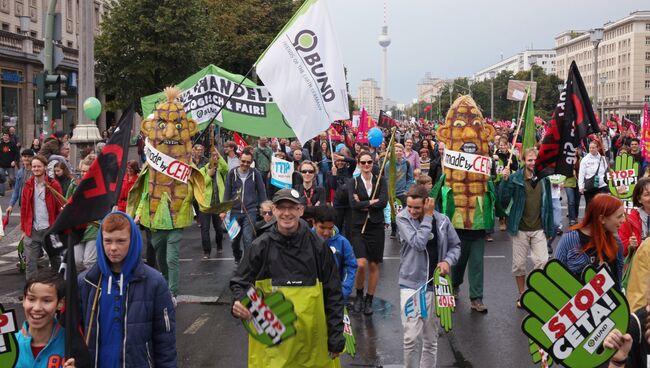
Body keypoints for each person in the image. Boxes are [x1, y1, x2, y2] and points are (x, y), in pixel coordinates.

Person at [230, 188, 344, 367]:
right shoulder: (259, 246)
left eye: (292, 207)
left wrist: (336, 335)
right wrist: (239, 301)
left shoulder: (318, 247)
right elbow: (239, 283)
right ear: (274, 210)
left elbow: (333, 294)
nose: (286, 213)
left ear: (301, 210)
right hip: (273, 352)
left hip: (313, 348)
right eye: (281, 207)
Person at [79, 212, 176, 367]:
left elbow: (165, 339)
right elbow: (74, 334)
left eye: (121, 241)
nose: (113, 248)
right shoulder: (87, 282)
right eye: (108, 241)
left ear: (133, 241)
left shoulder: (154, 282)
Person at [397, 185, 460, 368]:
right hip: (410, 284)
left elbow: (455, 246)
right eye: (409, 206)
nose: (412, 211)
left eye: (417, 207)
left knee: (431, 340)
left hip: (434, 285)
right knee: (410, 338)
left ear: (427, 203)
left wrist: (448, 261)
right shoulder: (402, 218)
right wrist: (428, 217)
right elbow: (418, 242)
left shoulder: (443, 221)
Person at [500, 148, 554, 307]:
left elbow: (548, 206)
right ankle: (522, 295)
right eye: (529, 160)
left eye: (535, 159)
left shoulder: (544, 179)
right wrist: (504, 181)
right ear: (524, 161)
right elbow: (503, 201)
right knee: (519, 265)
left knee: (543, 261)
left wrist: (550, 228)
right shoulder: (515, 178)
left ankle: (534, 291)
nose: (533, 163)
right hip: (519, 228)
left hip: (539, 228)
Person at [554, 194, 625, 286]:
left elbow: (618, 279)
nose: (623, 220)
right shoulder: (570, 239)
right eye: (619, 216)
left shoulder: (616, 242)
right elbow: (556, 274)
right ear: (602, 219)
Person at [349, 151, 388, 315]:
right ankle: (358, 295)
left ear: (373, 163)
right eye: (363, 162)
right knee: (361, 264)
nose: (366, 165)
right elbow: (353, 204)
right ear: (358, 164)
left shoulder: (381, 180)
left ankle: (369, 299)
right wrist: (372, 202)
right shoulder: (353, 182)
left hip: (376, 226)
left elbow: (383, 201)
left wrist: (365, 203)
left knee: (373, 265)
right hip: (358, 227)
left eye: (369, 162)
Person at [16, 270, 76, 368]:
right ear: (23, 300)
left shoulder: (72, 344)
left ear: (60, 303)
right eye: (31, 299)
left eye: (46, 301)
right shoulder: (9, 344)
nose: (37, 308)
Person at [20, 155, 63, 280]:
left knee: (56, 261)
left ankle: (58, 288)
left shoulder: (53, 184)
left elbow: (60, 207)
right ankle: (30, 291)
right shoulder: (28, 185)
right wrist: (23, 229)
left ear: (45, 167)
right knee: (30, 264)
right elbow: (24, 209)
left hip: (50, 229)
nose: (36, 169)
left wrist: (59, 227)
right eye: (34, 166)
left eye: (39, 166)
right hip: (32, 230)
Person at [221, 148, 267, 264]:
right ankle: (237, 256)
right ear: (239, 159)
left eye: (248, 162)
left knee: (248, 239)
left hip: (250, 211)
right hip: (235, 212)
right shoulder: (232, 173)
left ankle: (247, 263)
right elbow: (227, 192)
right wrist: (223, 210)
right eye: (243, 161)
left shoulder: (255, 173)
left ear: (251, 162)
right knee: (234, 240)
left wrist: (265, 208)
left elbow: (261, 192)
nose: (245, 164)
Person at [313, 205, 357, 304]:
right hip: (313, 297)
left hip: (336, 297)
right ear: (314, 223)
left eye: (330, 228)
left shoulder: (343, 243)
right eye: (322, 227)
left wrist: (344, 291)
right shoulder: (306, 240)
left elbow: (350, 266)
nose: (326, 232)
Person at [66, 157, 98, 272]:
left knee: (89, 261)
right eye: (83, 171)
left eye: (87, 171)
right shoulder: (74, 185)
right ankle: (82, 280)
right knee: (77, 261)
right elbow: (67, 202)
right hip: (78, 228)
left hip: (93, 227)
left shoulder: (99, 186)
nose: (84, 174)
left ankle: (90, 285)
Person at [198, 147, 228, 258]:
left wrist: (219, 156)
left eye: (216, 156)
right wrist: (209, 175)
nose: (214, 158)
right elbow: (201, 185)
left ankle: (219, 245)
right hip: (205, 205)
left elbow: (226, 168)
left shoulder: (220, 170)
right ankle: (206, 251)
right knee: (205, 229)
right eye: (213, 156)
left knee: (218, 229)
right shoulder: (203, 170)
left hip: (217, 205)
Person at [618, 177, 650, 256]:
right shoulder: (629, 220)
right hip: (640, 266)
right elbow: (619, 249)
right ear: (639, 199)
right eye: (647, 194)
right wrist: (630, 245)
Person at [387, 143, 413, 239]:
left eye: (400, 151)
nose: (398, 152)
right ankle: (394, 230)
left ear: (403, 152)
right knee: (393, 212)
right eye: (396, 151)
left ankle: (404, 230)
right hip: (393, 193)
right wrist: (389, 192)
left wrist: (407, 189)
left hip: (403, 192)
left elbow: (410, 178)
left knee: (405, 212)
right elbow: (386, 179)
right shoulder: (388, 165)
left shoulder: (407, 163)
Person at [579, 140, 609, 207]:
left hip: (602, 186)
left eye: (593, 148)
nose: (591, 149)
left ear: (597, 148)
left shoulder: (603, 158)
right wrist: (580, 186)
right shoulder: (585, 159)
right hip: (590, 186)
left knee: (601, 206)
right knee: (590, 206)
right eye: (590, 148)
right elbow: (581, 174)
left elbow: (606, 170)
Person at [6, 148, 35, 217]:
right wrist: (11, 205)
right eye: (25, 156)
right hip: (23, 203)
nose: (27, 158)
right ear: (21, 158)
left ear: (33, 158)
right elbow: (16, 190)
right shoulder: (20, 172)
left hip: (34, 204)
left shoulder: (35, 171)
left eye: (29, 156)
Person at [0, 130, 20, 195]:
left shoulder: (13, 144)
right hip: (1, 165)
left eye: (6, 135)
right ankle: (1, 192)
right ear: (2, 136)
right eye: (4, 135)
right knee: (1, 177)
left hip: (10, 165)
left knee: (12, 178)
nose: (5, 137)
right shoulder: (0, 144)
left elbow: (17, 154)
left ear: (9, 137)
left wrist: (15, 161)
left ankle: (15, 190)